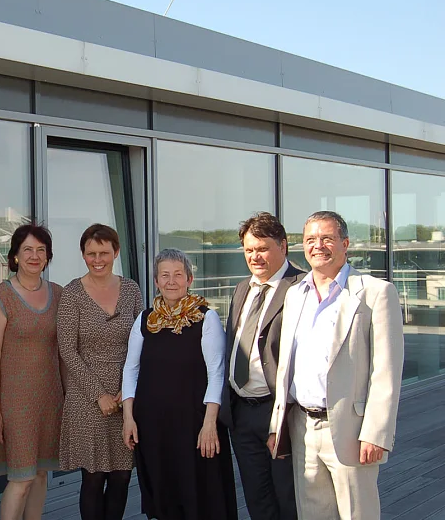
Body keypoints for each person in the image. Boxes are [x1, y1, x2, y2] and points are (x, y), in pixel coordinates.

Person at [268, 211, 404, 520]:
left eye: (327, 238)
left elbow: (386, 371)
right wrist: (278, 424)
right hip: (301, 426)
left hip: (350, 429)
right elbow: (286, 365)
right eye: (311, 240)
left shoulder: (375, 293)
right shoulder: (294, 295)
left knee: (358, 514)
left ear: (345, 244)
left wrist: (375, 433)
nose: (318, 246)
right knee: (312, 514)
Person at [122, 248, 237, 520]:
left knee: (198, 495)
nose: (171, 281)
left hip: (195, 426)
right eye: (165, 275)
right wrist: (128, 417)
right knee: (163, 494)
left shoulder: (206, 318)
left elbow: (216, 373)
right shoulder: (145, 320)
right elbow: (130, 369)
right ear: (156, 281)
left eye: (177, 274)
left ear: (189, 279)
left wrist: (210, 424)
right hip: (153, 427)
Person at [220, 213, 303, 520]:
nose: (255, 256)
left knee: (287, 498)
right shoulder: (242, 289)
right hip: (241, 413)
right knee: (257, 499)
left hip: (279, 413)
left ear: (283, 246)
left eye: (262, 248)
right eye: (249, 249)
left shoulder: (301, 287)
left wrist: (283, 416)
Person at [57, 224, 142, 520]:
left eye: (104, 252)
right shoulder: (72, 294)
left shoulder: (131, 289)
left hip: (124, 398)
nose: (98, 259)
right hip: (87, 401)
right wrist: (99, 395)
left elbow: (141, 342)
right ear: (83, 255)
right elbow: (67, 350)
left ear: (116, 252)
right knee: (93, 478)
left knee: (121, 477)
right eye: (91, 253)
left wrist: (127, 390)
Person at [0, 224, 63, 520]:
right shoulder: (2, 296)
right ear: (15, 256)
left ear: (48, 257)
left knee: (41, 473)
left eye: (41, 250)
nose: (34, 255)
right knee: (21, 477)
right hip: (15, 401)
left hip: (50, 399)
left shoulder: (59, 294)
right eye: (27, 249)